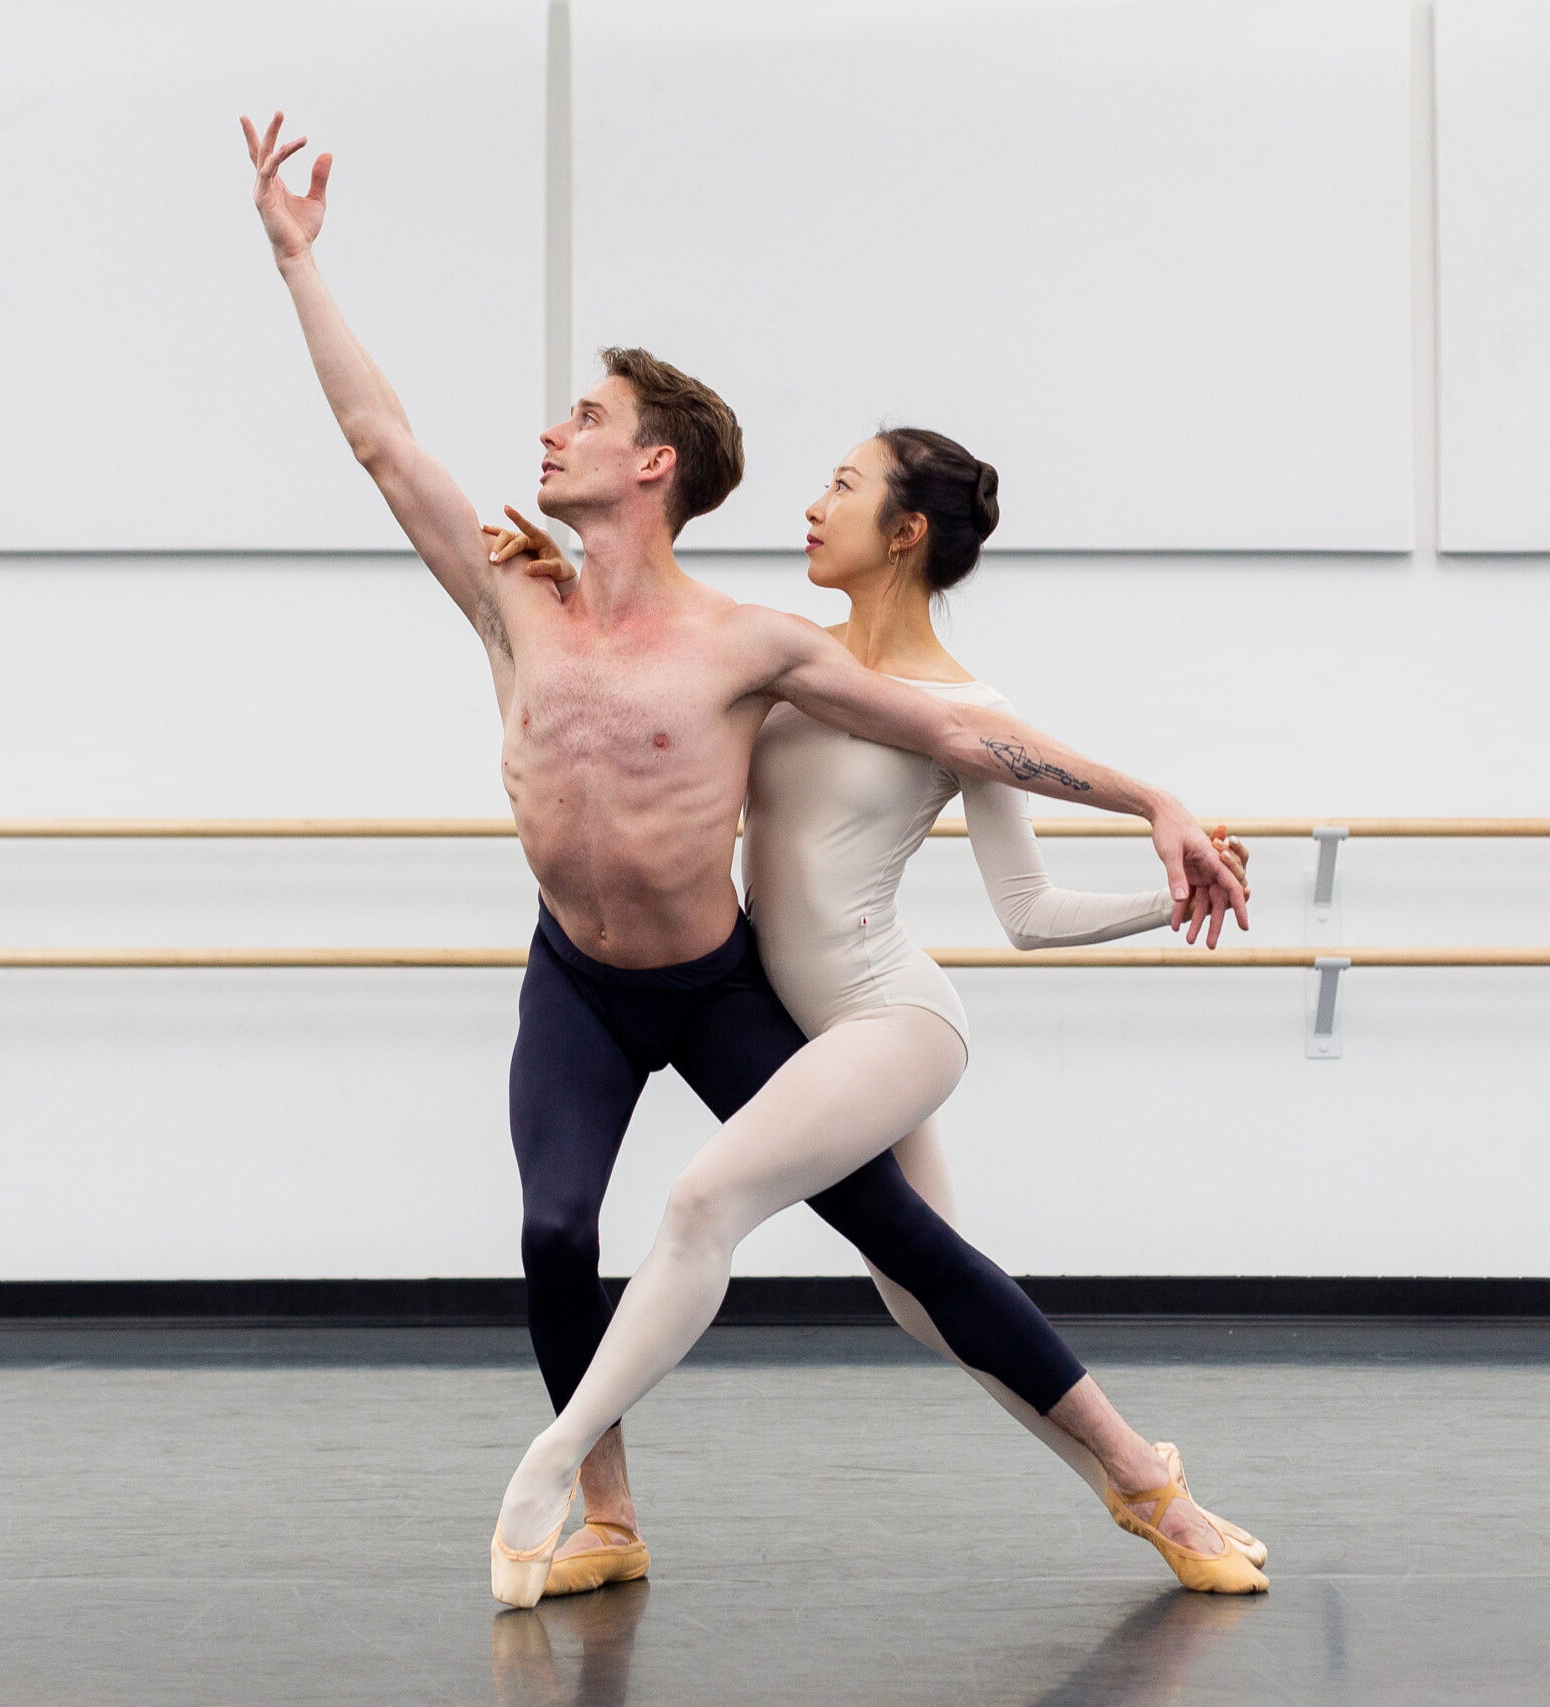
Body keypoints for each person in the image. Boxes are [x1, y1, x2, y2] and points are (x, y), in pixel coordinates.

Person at [237, 113, 1253, 1607]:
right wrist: (295, 261)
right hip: (574, 983)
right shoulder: (511, 596)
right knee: (550, 1225)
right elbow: (382, 441)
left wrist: (1151, 795)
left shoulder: (752, 647)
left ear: (647, 462)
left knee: (899, 1241)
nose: (547, 434)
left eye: (579, 415)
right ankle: (604, 1510)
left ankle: (1142, 1481)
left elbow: (966, 736)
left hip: (716, 985)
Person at [486, 433, 1267, 1604]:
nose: (811, 507)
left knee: (706, 1198)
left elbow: (1031, 914)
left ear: (904, 533)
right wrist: (564, 581)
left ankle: (553, 1466)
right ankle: (1145, 1483)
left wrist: (1169, 881)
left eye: (842, 489)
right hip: (791, 1021)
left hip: (892, 1019)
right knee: (923, 1285)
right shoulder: (778, 659)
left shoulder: (965, 707)